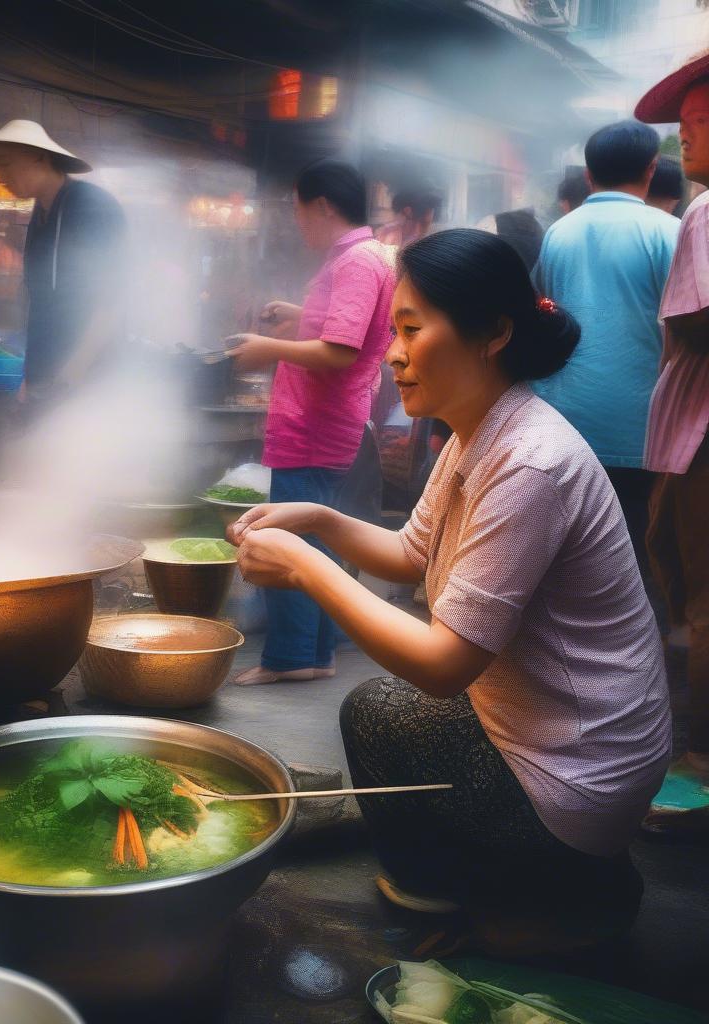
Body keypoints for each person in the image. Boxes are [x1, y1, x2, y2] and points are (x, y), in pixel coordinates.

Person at [229, 229, 670, 941]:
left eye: (411, 329)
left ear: (493, 332)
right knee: (376, 708)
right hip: (567, 741)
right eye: (392, 330)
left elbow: (444, 665)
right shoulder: (479, 429)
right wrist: (318, 519)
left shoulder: (529, 462)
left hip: (583, 776)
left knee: (387, 709)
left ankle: (537, 893)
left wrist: (304, 565)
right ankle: (541, 881)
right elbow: (410, 552)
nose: (394, 353)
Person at [226, 159, 397, 685]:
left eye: (299, 211)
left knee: (291, 540)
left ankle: (291, 657)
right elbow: (350, 327)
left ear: (322, 206)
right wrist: (299, 314)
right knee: (317, 542)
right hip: (324, 423)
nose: (298, 223)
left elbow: (342, 350)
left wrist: (264, 348)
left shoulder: (357, 261)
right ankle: (314, 654)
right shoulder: (360, 256)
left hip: (315, 426)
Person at [532, 120, 679, 597]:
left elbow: (546, 311)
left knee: (573, 549)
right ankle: (636, 654)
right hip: (641, 425)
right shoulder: (668, 231)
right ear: (651, 170)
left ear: (589, 174)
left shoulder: (558, 233)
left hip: (562, 418)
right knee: (636, 550)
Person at [636, 55, 709, 826]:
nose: (683, 142)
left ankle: (701, 761)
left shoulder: (705, 212)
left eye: (698, 126)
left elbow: (697, 317)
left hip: (702, 439)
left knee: (700, 601)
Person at [0, 120, 126, 392]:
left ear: (39, 156)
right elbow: (39, 299)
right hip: (48, 368)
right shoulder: (41, 211)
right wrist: (31, 374)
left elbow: (114, 298)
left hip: (87, 373)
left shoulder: (91, 206)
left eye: (4, 162)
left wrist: (75, 370)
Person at [375, 187, 442, 248]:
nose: (429, 219)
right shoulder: (386, 235)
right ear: (408, 211)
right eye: (428, 213)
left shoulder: (427, 240)